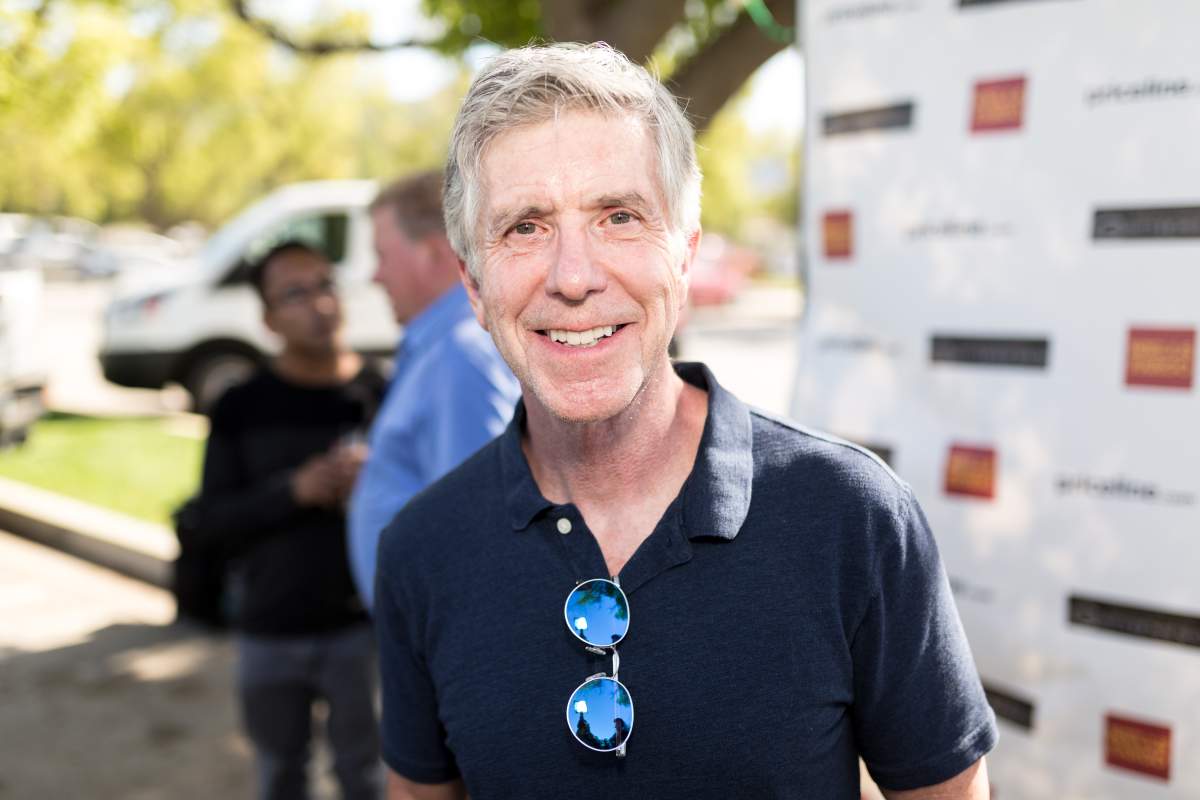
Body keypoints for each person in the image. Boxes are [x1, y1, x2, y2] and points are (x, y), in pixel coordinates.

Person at [374, 43, 998, 800]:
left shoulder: (851, 517)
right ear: (474, 286)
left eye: (619, 217)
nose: (574, 277)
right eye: (526, 228)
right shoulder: (421, 551)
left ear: (685, 255)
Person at [191, 240, 384, 800]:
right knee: (279, 775)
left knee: (369, 776)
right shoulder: (242, 405)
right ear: (268, 319)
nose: (318, 304)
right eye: (294, 294)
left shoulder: (381, 391)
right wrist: (293, 492)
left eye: (325, 285)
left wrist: (374, 483)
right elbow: (210, 521)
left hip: (362, 631)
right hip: (270, 631)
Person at [347, 171, 519, 609]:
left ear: (433, 253)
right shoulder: (444, 348)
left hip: (445, 633)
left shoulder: (460, 355)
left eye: (382, 255)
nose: (375, 276)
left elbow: (480, 526)